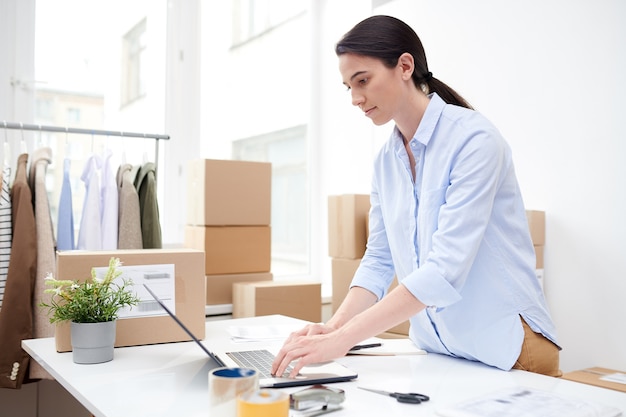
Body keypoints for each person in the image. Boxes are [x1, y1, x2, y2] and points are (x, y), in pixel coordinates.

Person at [271, 15, 561, 378]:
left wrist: (343, 340)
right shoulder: (385, 162)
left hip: (509, 351)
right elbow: (378, 259)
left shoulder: (474, 141)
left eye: (363, 80)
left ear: (404, 66)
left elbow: (443, 271)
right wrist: (334, 328)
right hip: (443, 351)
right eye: (348, 86)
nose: (355, 98)